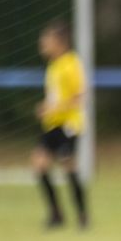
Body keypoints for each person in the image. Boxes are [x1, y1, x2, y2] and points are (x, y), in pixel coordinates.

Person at [32, 20, 88, 229]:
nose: (43, 43)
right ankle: (56, 214)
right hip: (52, 125)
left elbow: (79, 97)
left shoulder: (72, 64)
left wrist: (54, 108)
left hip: (68, 125)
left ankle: (82, 215)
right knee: (39, 164)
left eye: (47, 39)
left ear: (60, 42)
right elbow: (55, 96)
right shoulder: (53, 66)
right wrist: (46, 107)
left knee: (68, 165)